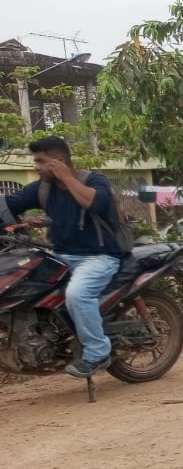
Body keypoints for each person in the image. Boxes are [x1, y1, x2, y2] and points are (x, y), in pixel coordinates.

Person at [3, 136, 127, 377]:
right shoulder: (42, 188)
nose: (36, 167)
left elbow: (95, 203)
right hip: (60, 255)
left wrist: (67, 177)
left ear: (59, 161)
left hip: (99, 257)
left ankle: (97, 352)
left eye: (41, 161)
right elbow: (8, 204)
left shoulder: (94, 181)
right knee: (24, 286)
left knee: (77, 294)